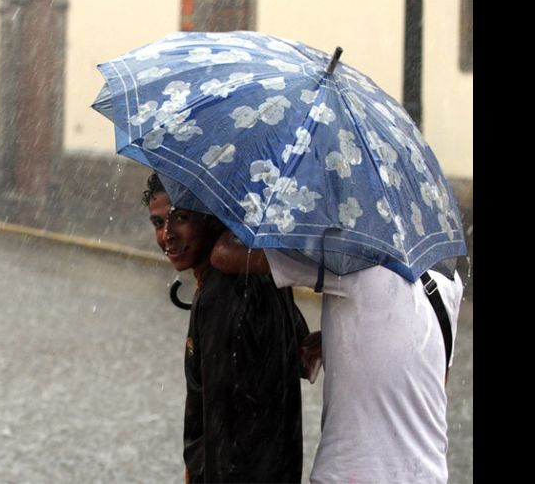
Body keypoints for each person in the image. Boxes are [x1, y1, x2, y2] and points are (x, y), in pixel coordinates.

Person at [211, 231, 464, 484]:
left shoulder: (347, 258)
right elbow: (434, 375)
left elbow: (225, 256)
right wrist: (344, 339)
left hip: (353, 474)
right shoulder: (447, 277)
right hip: (427, 474)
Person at [142, 173, 310, 483]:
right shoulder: (254, 270)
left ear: (211, 216)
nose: (167, 235)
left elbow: (226, 430)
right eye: (157, 223)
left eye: (180, 218)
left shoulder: (227, 294)